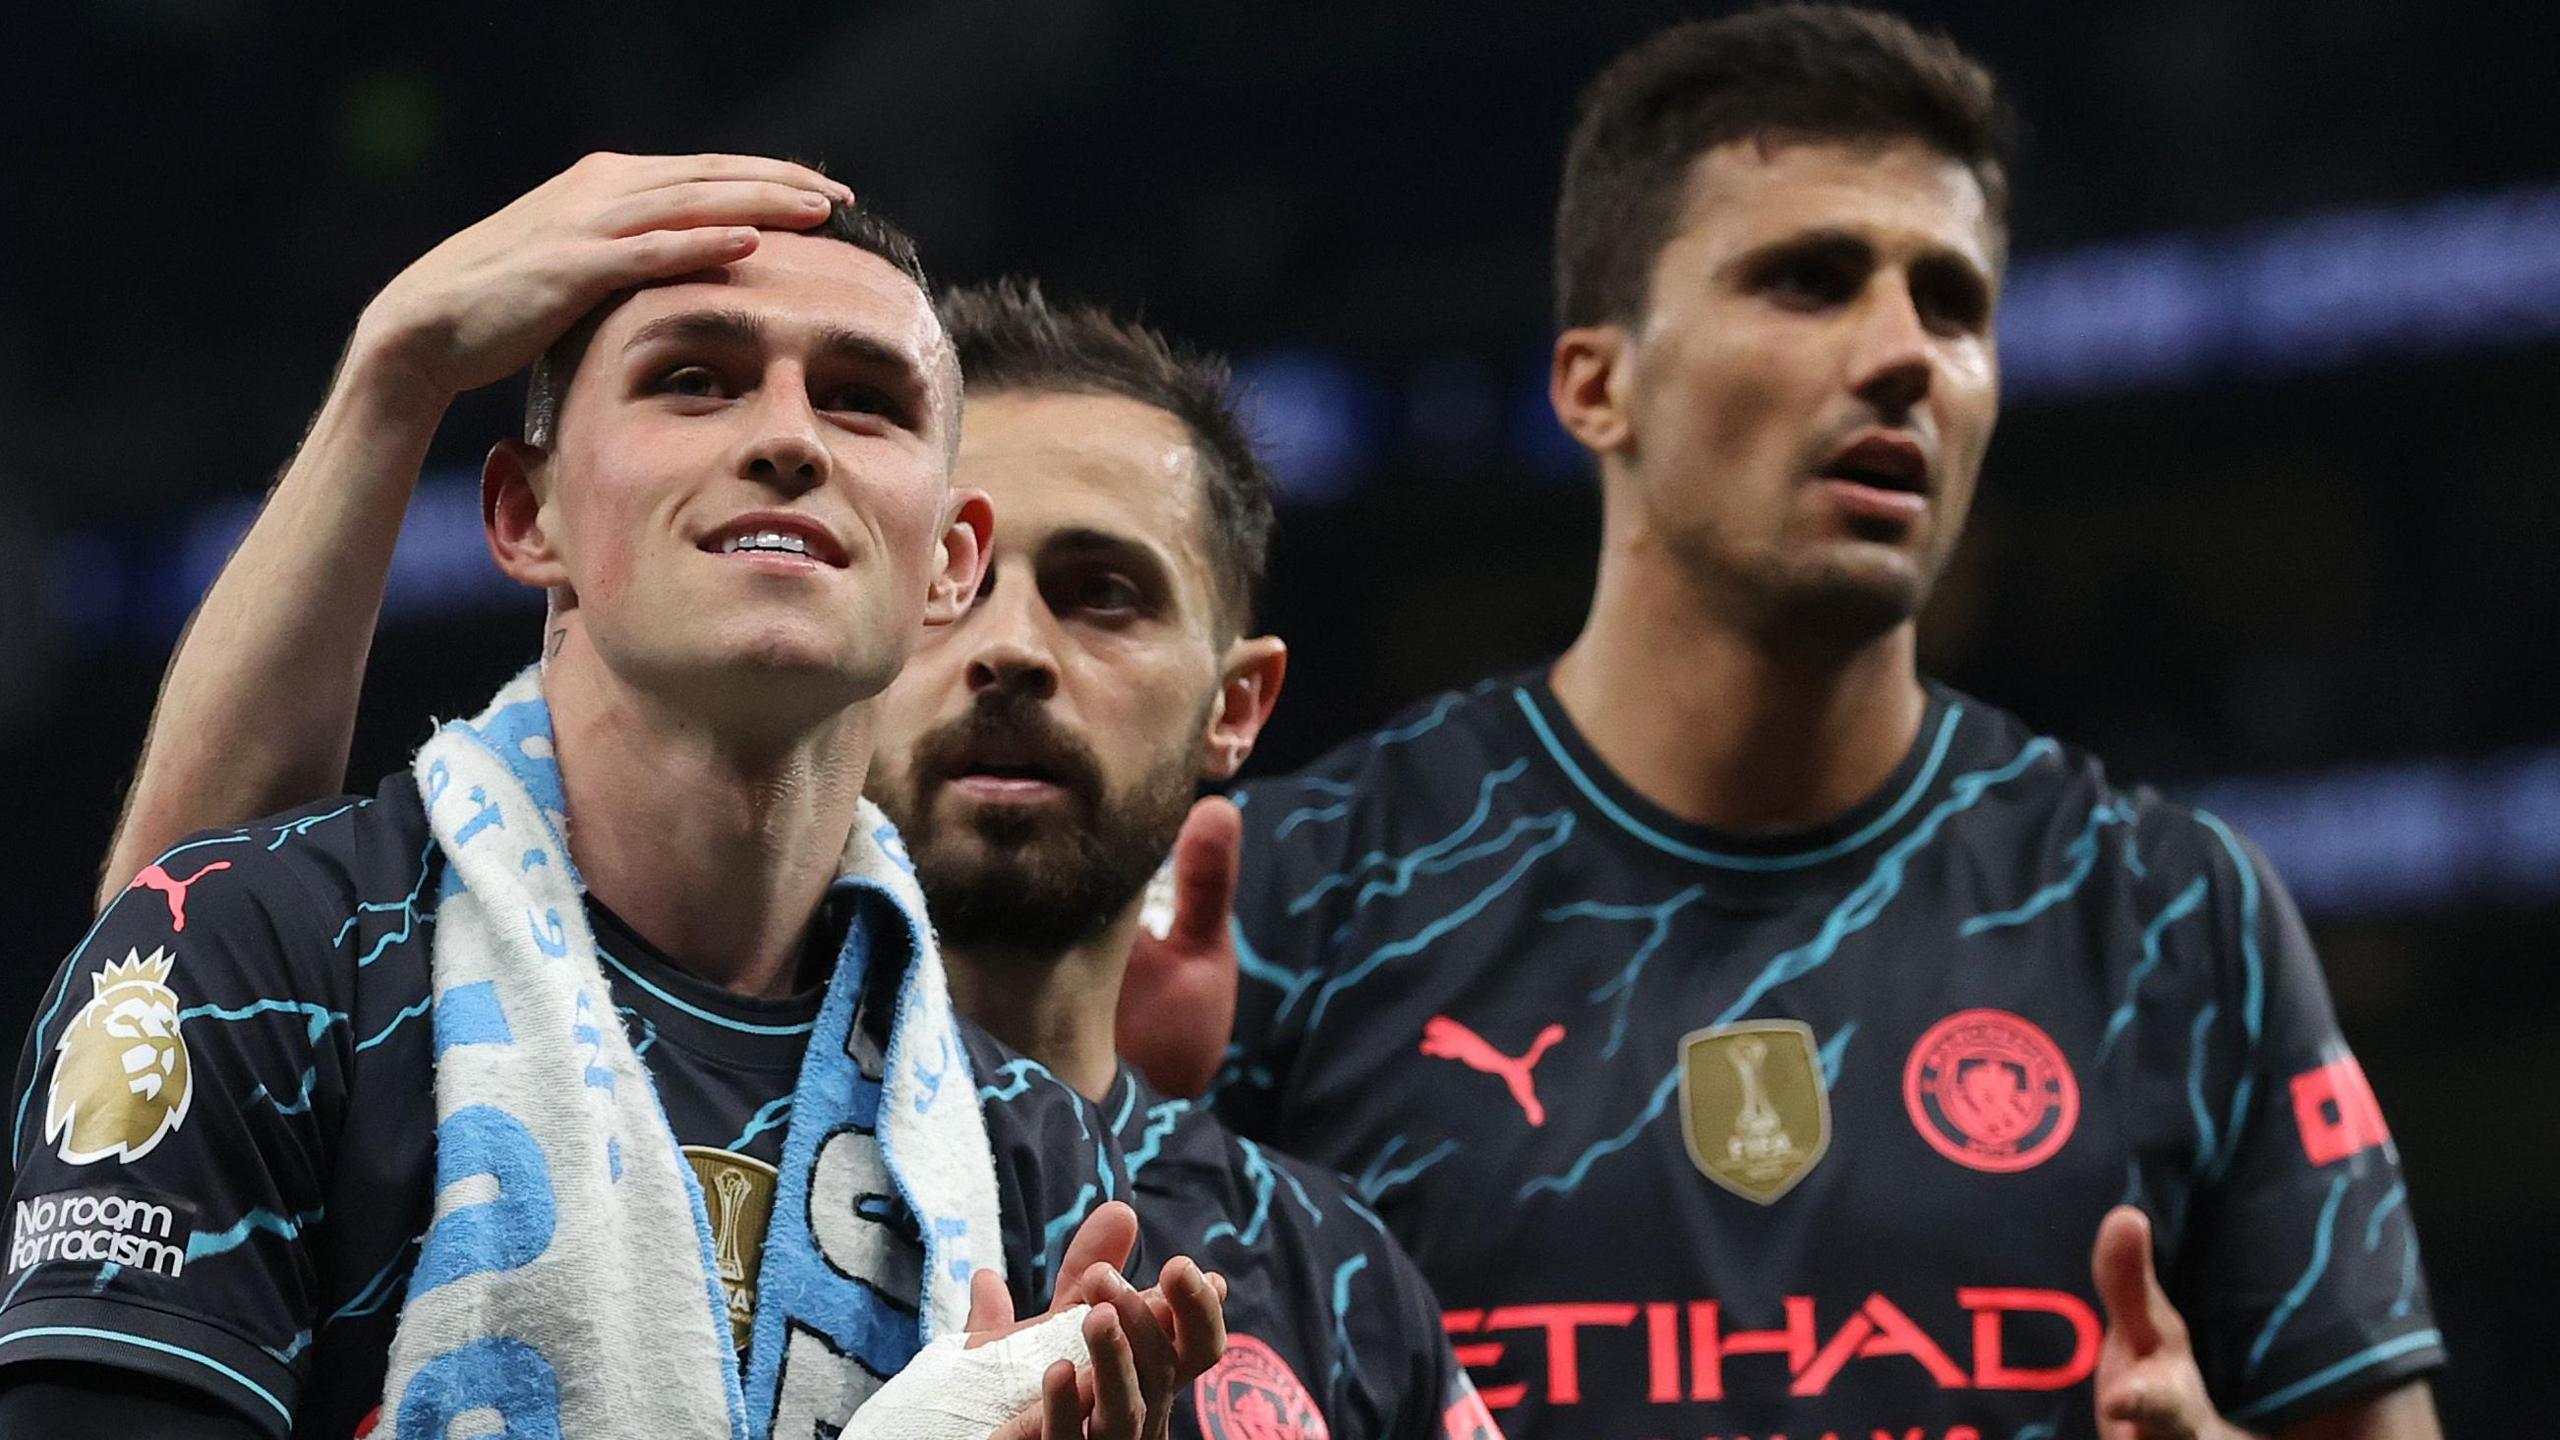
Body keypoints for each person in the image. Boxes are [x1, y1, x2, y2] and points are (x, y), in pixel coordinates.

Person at [1133, 8, 2446, 1439]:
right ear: (1596, 380)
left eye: (1952, 305)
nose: (1906, 358)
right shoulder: (1288, 898)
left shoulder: (2173, 915)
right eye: (1809, 281)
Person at [73, 187, 1486, 1434]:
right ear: (525, 515)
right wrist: (395, 371)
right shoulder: (288, 958)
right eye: (697, 378)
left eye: (863, 398)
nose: (788, 438)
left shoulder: (1073, 1191)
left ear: (939, 552)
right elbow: (174, 928)